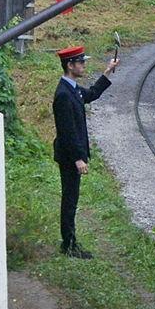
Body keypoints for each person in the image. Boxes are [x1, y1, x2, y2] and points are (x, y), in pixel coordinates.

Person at [52, 45, 118, 258]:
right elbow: (68, 132)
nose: (84, 65)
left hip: (71, 156)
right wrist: (79, 159)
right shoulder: (63, 94)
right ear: (69, 65)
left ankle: (70, 242)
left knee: (72, 198)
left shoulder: (73, 89)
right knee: (69, 200)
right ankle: (68, 244)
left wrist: (107, 72)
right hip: (69, 157)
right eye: (80, 62)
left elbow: (93, 93)